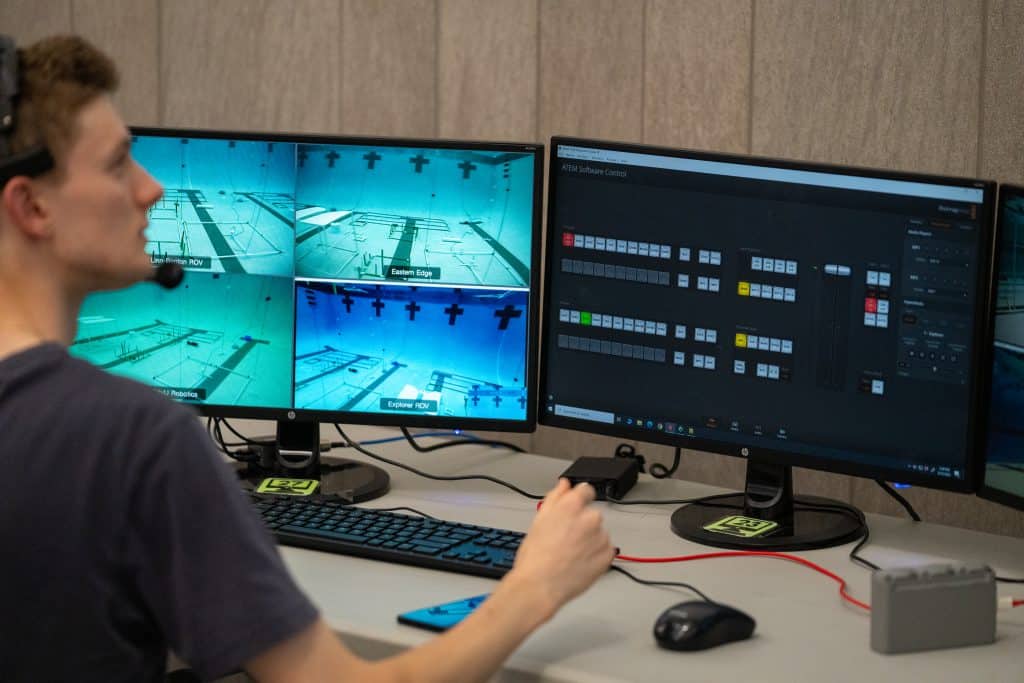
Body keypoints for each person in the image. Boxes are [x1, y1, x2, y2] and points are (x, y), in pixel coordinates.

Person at [0, 34, 615, 682]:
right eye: (121, 162)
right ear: (30, 205)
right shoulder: (136, 441)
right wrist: (536, 585)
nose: (152, 189)